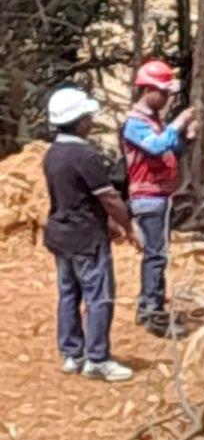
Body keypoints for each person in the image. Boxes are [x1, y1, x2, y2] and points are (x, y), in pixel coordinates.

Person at [43, 87, 139, 382]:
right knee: (99, 296)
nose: (91, 121)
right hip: (86, 237)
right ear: (79, 120)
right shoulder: (84, 154)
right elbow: (108, 197)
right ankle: (97, 358)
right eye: (87, 116)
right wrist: (127, 226)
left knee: (69, 294)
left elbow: (73, 197)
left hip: (61, 234)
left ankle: (72, 353)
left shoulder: (52, 154)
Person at [121, 60, 194, 336]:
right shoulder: (135, 124)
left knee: (158, 254)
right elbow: (156, 146)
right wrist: (178, 124)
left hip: (161, 194)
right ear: (147, 90)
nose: (165, 99)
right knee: (155, 255)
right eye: (162, 93)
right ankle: (152, 310)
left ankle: (150, 305)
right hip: (147, 195)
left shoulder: (154, 121)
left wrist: (185, 139)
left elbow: (170, 149)